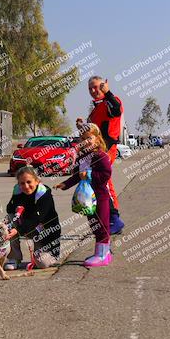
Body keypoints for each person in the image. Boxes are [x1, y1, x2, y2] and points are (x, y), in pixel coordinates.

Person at [54, 123, 112, 267]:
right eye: (82, 138)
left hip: (100, 196)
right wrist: (65, 184)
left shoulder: (101, 156)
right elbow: (77, 175)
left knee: (102, 224)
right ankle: (101, 252)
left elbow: (106, 174)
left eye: (89, 138)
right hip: (87, 197)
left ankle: (103, 254)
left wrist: (90, 175)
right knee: (93, 224)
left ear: (97, 139)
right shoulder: (83, 157)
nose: (85, 141)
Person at [76, 76, 124, 234]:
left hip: (107, 149)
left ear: (104, 85)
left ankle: (114, 220)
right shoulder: (95, 109)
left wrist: (107, 92)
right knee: (100, 183)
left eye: (96, 87)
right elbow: (93, 134)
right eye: (90, 88)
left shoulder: (111, 101)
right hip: (96, 152)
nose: (93, 91)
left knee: (104, 183)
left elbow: (116, 110)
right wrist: (82, 127)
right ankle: (108, 218)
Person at [4, 166, 61, 270]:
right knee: (10, 219)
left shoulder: (44, 193)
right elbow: (9, 208)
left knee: (41, 263)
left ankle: (46, 255)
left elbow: (37, 219)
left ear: (37, 181)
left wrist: (18, 230)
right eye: (22, 183)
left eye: (29, 182)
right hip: (26, 226)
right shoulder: (18, 191)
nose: (26, 186)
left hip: (44, 229)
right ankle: (14, 257)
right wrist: (16, 206)